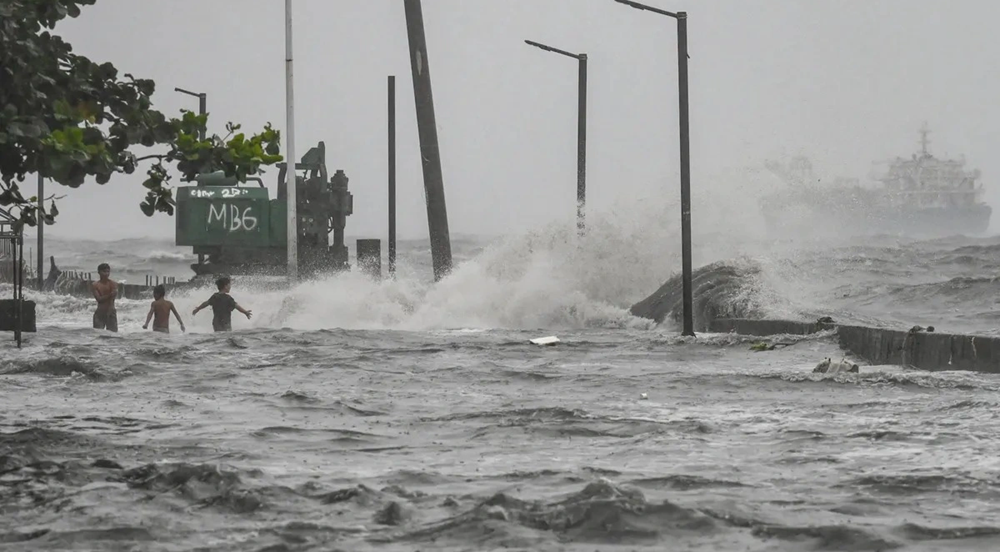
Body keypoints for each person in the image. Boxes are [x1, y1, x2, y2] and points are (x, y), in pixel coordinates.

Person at [91, 263, 118, 332]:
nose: (106, 274)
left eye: (108, 272)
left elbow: (112, 300)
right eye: (104, 271)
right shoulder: (95, 285)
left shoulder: (113, 284)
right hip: (100, 313)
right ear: (99, 272)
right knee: (98, 335)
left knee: (113, 336)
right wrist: (110, 294)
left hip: (111, 313)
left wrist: (109, 312)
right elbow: (99, 299)